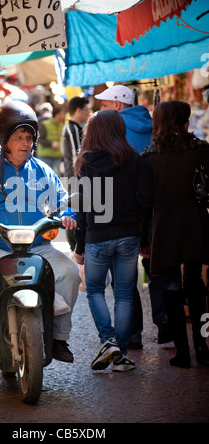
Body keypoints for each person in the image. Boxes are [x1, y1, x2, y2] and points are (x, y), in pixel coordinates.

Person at [0, 101, 80, 368]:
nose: (25, 143)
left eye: (29, 137)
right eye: (18, 137)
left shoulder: (43, 170)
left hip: (39, 247)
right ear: (5, 140)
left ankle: (59, 338)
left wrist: (70, 214)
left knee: (71, 273)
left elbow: (64, 202)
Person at [74, 109, 153, 372]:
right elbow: (146, 201)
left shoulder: (85, 163)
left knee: (95, 291)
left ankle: (108, 341)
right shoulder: (134, 159)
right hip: (128, 235)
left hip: (97, 237)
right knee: (124, 296)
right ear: (120, 129)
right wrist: (143, 234)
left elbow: (82, 208)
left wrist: (79, 245)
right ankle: (121, 353)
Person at [95, 85, 170, 348]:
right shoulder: (153, 124)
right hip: (157, 207)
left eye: (103, 105)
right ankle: (165, 324)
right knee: (157, 266)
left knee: (124, 275)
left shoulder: (113, 129)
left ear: (117, 105)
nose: (100, 110)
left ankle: (134, 334)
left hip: (124, 210)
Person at [141, 100, 209, 368]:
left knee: (170, 289)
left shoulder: (148, 158)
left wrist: (143, 239)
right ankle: (202, 346)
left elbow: (144, 203)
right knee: (196, 286)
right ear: (184, 122)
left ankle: (182, 352)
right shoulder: (201, 150)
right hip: (196, 225)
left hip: (164, 228)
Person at [61, 96, 91, 251]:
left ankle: (76, 244)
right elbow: (76, 155)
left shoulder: (75, 127)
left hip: (75, 175)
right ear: (78, 110)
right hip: (75, 175)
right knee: (74, 209)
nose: (88, 113)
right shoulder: (72, 128)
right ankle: (74, 245)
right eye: (86, 110)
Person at [36, 105, 66, 177]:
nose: (64, 116)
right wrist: (51, 144)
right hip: (45, 156)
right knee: (43, 178)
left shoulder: (62, 126)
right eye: (62, 114)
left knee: (55, 178)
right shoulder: (45, 124)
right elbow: (39, 139)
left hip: (57, 156)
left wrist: (62, 151)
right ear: (57, 115)